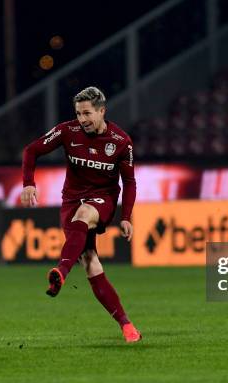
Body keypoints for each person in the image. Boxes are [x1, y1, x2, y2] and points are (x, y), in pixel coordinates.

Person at [20, 86, 141, 343]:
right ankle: (127, 326)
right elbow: (31, 150)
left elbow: (129, 182)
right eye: (78, 113)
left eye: (87, 113)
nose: (82, 119)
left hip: (103, 199)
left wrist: (127, 216)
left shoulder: (121, 142)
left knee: (85, 214)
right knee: (90, 262)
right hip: (71, 201)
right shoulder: (68, 130)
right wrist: (28, 182)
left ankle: (62, 271)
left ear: (101, 111)